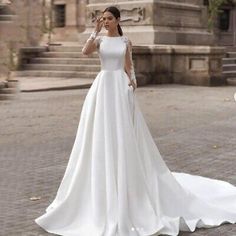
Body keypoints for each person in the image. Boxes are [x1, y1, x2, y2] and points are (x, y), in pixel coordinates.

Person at [35, 6, 236, 236]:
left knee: (122, 133)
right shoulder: (99, 40)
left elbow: (128, 66)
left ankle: (125, 175)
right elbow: (85, 52)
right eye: (104, 19)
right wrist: (94, 30)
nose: (106, 21)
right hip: (102, 89)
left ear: (118, 20)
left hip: (119, 89)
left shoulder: (125, 41)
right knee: (99, 132)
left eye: (110, 18)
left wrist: (132, 81)